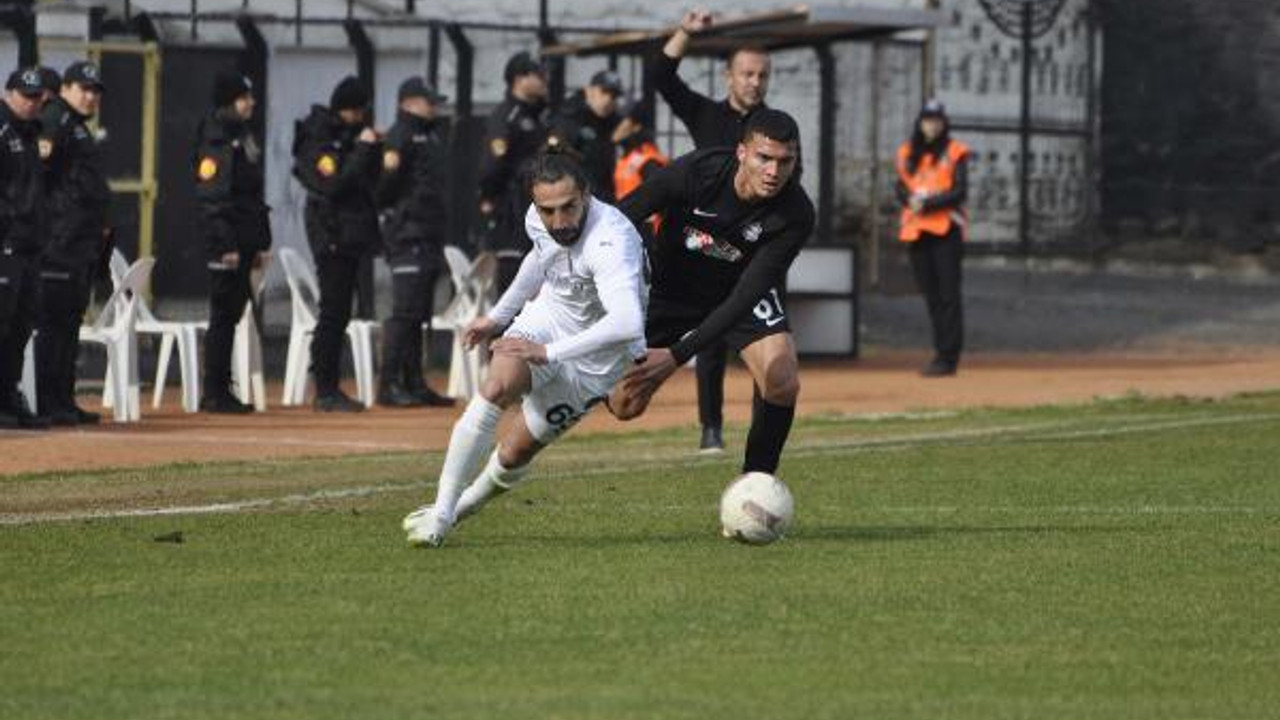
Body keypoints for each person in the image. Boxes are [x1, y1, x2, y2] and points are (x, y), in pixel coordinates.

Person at [402, 151, 646, 547]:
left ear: (586, 194)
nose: (559, 221)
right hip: (547, 318)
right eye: (548, 210)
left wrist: (549, 353)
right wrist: (497, 318)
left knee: (515, 453)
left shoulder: (610, 240)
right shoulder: (539, 219)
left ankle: (461, 508)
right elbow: (540, 257)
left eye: (568, 207)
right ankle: (441, 514)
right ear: (536, 203)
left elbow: (626, 323)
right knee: (496, 386)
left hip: (598, 357)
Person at [611, 108, 813, 480]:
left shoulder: (795, 213)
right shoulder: (698, 172)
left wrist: (676, 356)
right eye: (764, 158)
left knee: (782, 379)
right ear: (742, 152)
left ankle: (757, 484)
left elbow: (746, 296)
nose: (774, 171)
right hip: (670, 289)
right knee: (624, 404)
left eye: (785, 161)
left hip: (737, 292)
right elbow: (620, 217)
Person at [653, 8, 774, 453]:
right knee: (709, 340)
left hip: (759, 248)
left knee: (770, 346)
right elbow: (662, 76)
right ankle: (711, 430)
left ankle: (765, 432)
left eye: (762, 75)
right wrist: (685, 32)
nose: (755, 82)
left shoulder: (775, 127)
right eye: (747, 74)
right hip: (709, 248)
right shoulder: (706, 114)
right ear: (729, 77)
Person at [292, 75, 382, 412]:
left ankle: (328, 384)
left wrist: (372, 149)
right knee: (332, 312)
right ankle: (325, 388)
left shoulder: (348, 136)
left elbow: (369, 181)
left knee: (341, 311)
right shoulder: (320, 139)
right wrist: (362, 149)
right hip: (331, 234)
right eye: (357, 111)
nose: (360, 118)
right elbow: (334, 184)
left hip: (350, 235)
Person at [35, 61, 111, 425]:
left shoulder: (77, 126)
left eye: (95, 91)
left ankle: (64, 398)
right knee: (54, 326)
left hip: (79, 243)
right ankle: (49, 400)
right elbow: (39, 177)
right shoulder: (57, 119)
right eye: (84, 88)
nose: (91, 96)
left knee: (69, 324)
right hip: (59, 243)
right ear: (65, 89)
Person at [193, 70, 272, 413]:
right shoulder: (217, 138)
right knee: (223, 316)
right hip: (226, 243)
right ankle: (214, 390)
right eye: (244, 98)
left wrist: (258, 242)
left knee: (231, 315)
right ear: (228, 102)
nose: (251, 103)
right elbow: (214, 199)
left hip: (243, 240)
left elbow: (251, 195)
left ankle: (221, 388)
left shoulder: (241, 134)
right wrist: (226, 245)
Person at [375, 76, 454, 408]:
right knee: (405, 311)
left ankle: (414, 381)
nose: (433, 107)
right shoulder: (401, 135)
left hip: (428, 232)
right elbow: (385, 186)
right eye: (428, 101)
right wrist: (401, 214)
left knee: (420, 313)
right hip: (408, 233)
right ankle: (388, 384)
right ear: (408, 103)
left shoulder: (430, 134)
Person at [895, 99, 970, 377]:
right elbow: (900, 186)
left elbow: (960, 191)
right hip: (916, 231)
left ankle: (948, 356)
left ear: (944, 122)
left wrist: (928, 204)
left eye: (937, 119)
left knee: (948, 296)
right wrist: (909, 200)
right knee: (931, 296)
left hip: (946, 230)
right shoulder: (907, 152)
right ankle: (941, 351)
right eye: (928, 119)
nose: (932, 124)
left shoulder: (954, 151)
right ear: (920, 122)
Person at [0, 69, 50, 430]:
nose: (32, 103)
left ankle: (9, 394)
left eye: (37, 97)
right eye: (26, 95)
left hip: (29, 243)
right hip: (6, 241)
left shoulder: (31, 132)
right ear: (9, 94)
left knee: (21, 325)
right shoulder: (3, 131)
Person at [478, 51, 550, 294]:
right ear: (519, 79)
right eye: (538, 75)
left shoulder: (538, 116)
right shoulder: (506, 116)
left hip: (537, 210)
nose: (544, 80)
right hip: (512, 212)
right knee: (514, 286)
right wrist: (492, 199)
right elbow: (492, 167)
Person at [547, 69, 623, 203]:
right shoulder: (570, 117)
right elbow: (554, 156)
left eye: (614, 96)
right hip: (574, 197)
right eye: (604, 92)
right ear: (590, 91)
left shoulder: (613, 121)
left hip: (603, 195)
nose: (608, 99)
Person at [611, 97, 669, 236]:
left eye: (620, 121)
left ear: (636, 126)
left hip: (648, 237)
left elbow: (663, 203)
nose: (614, 125)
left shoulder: (648, 160)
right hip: (630, 231)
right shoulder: (627, 157)